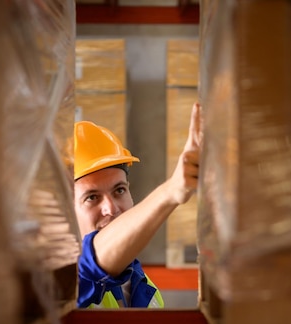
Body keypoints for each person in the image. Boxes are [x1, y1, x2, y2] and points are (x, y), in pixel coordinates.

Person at [74, 102, 202, 308]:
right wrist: (171, 191)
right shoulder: (62, 284)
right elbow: (90, 264)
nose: (112, 208)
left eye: (119, 190)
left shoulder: (144, 287)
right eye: (92, 197)